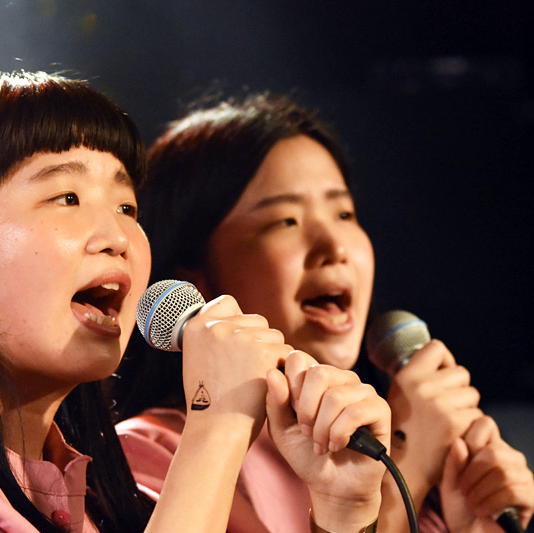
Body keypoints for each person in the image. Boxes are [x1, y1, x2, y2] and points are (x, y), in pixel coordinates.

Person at [0, 71, 392, 533]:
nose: (117, 236)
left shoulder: (90, 491)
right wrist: (219, 420)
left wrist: (344, 514)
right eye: (67, 197)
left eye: (127, 206)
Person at [112, 91, 534, 532]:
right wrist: (405, 469)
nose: (334, 247)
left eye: (344, 214)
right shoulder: (151, 454)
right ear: (194, 278)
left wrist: (473, 527)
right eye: (285, 221)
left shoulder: (395, 453)